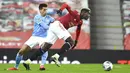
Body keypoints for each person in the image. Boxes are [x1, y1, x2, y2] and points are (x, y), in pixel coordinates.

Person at [23, 3, 91, 70]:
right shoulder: (76, 13)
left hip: (54, 28)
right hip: (58, 25)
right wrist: (61, 10)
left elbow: (78, 31)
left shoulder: (80, 22)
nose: (88, 15)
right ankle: (56, 56)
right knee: (70, 42)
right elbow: (66, 5)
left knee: (44, 48)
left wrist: (76, 40)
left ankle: (28, 61)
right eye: (87, 13)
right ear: (83, 12)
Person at [7, 3, 55, 70]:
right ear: (40, 10)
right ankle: (16, 67)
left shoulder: (50, 18)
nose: (46, 11)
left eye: (46, 10)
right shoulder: (37, 17)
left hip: (44, 37)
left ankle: (42, 66)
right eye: (44, 9)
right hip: (34, 37)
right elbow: (45, 26)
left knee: (44, 48)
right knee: (21, 51)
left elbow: (56, 23)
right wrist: (51, 26)